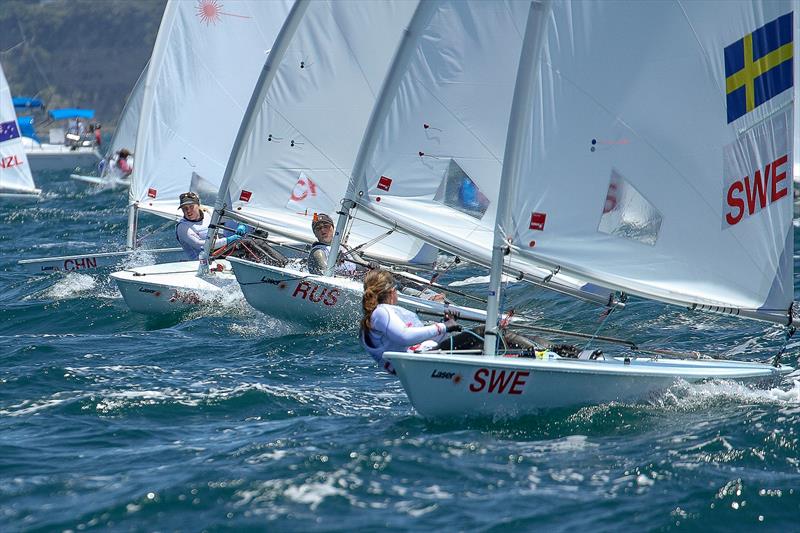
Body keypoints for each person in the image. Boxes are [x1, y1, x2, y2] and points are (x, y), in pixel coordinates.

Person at [360, 269, 462, 374]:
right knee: (478, 334)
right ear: (392, 292)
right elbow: (404, 336)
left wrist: (446, 326)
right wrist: (443, 326)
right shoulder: (380, 312)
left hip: (422, 366)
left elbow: (418, 340)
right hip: (420, 364)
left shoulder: (379, 315)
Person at [175, 191, 244, 260]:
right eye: (184, 208)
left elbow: (232, 216)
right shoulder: (182, 227)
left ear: (198, 205)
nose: (188, 211)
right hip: (201, 263)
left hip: (219, 254)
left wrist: (242, 225)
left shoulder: (208, 214)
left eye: (191, 206)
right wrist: (228, 240)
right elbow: (201, 245)